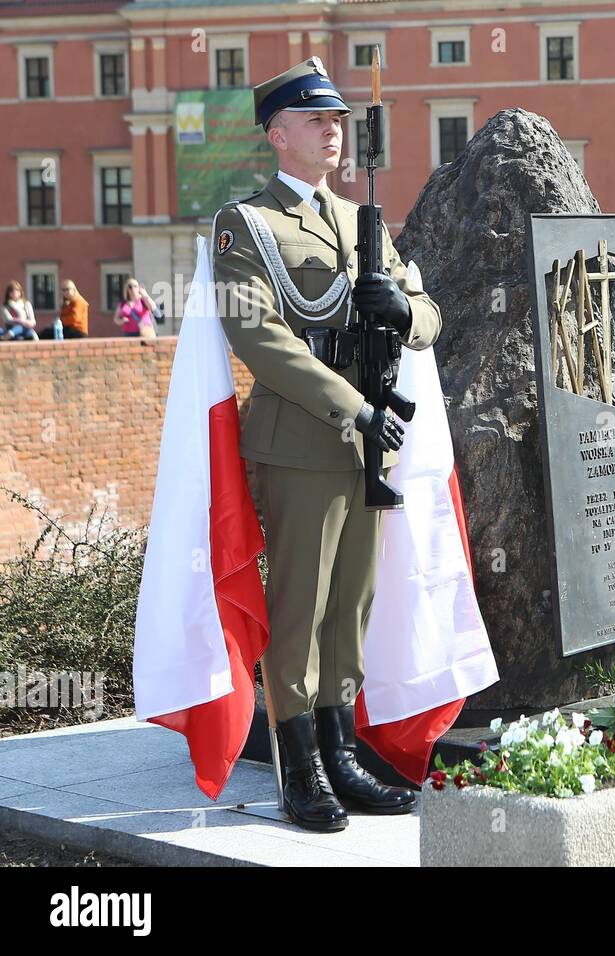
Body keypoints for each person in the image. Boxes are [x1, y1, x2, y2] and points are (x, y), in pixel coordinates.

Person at [211, 56, 442, 832]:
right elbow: (259, 334)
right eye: (315, 119)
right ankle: (298, 765)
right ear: (278, 135)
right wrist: (353, 408)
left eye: (337, 119)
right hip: (303, 440)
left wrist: (402, 311)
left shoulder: (357, 220)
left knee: (353, 601)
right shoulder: (246, 226)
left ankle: (341, 750)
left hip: (369, 441)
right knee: (301, 604)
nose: (333, 129)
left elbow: (430, 313)